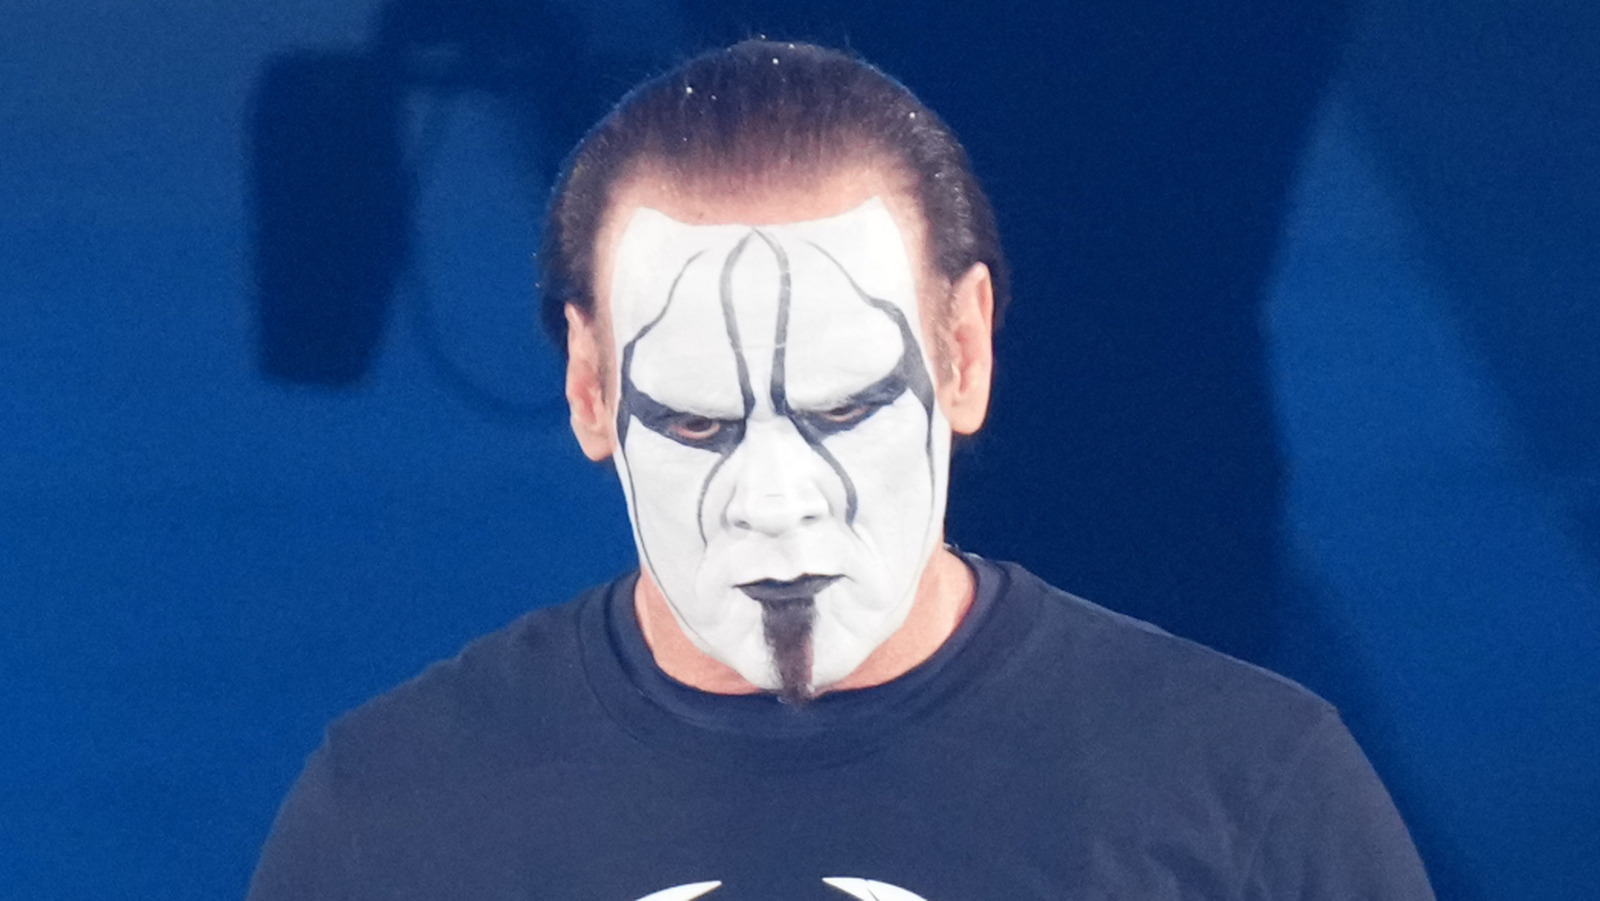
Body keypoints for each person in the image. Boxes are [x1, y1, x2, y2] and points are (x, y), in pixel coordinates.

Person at [248, 40, 1434, 900]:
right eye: (699, 421)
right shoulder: (393, 807)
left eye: (845, 408)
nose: (777, 499)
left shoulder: (1254, 785)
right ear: (591, 387)